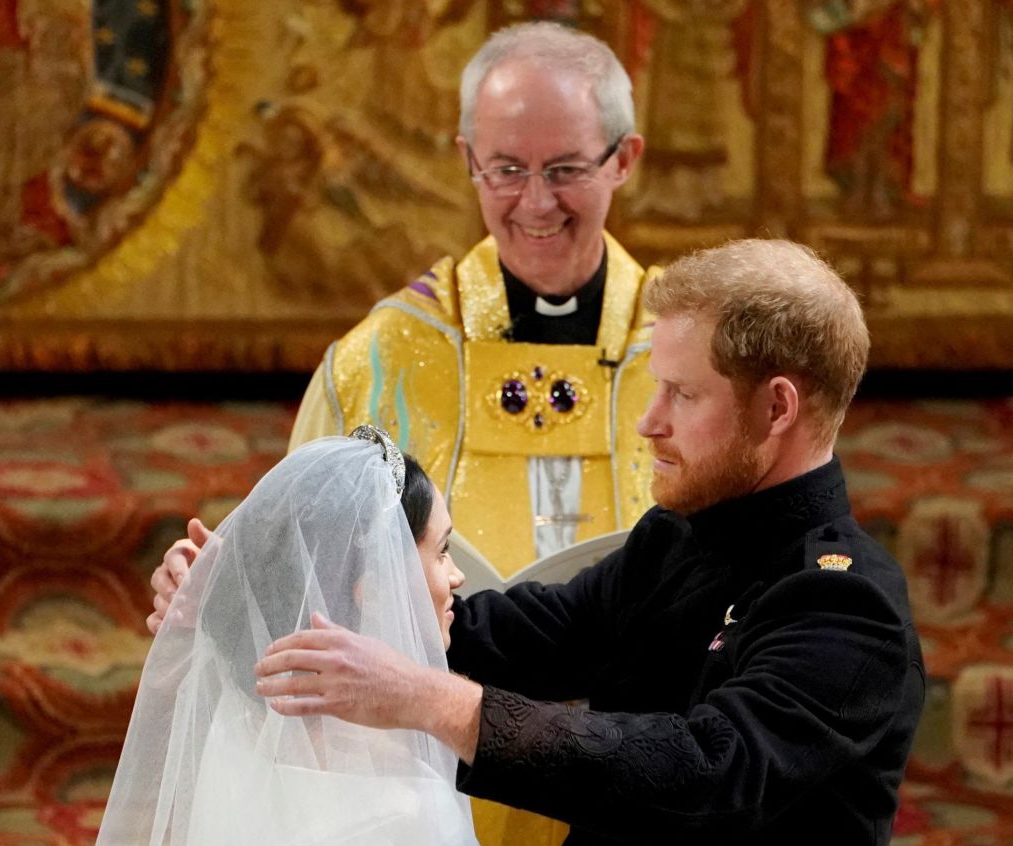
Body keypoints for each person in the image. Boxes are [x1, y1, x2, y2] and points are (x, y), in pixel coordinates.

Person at [243, 239, 927, 844]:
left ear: (778, 407)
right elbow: (516, 637)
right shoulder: (675, 539)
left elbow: (702, 775)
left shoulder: (845, 603)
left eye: (682, 396)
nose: (648, 423)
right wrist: (249, 592)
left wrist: (432, 700)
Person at [156, 21, 655, 843]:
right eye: (505, 169)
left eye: (565, 170)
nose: (535, 201)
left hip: (637, 765)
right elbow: (296, 577)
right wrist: (212, 592)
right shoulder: (380, 358)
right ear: (467, 160)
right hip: (421, 771)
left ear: (623, 160)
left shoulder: (691, 350)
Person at [100, 426, 476, 845]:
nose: (457, 576)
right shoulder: (412, 800)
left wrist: (240, 590)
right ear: (372, 584)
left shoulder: (238, 728)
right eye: (442, 551)